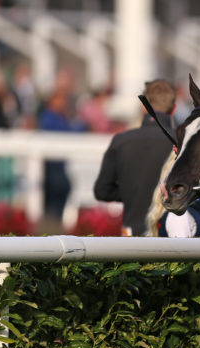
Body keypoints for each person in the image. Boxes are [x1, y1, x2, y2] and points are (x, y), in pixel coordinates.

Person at [94, 79, 181, 236]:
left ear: (143, 106)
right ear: (174, 108)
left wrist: (131, 191)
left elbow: (102, 190)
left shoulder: (121, 141)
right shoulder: (182, 142)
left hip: (131, 235)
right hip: (172, 236)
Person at [38, 90, 87, 220]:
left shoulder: (60, 118)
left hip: (59, 167)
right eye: (60, 100)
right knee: (55, 199)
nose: (63, 103)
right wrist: (82, 126)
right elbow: (67, 134)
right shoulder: (49, 118)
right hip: (52, 167)